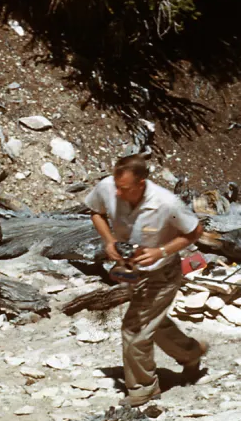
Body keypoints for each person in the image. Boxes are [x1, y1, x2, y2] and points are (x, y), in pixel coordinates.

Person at [85, 155, 207, 407]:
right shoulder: (108, 187)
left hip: (161, 274)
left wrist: (161, 251)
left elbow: (195, 231)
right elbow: (96, 212)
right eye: (117, 186)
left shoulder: (166, 203)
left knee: (134, 329)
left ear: (142, 183)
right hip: (131, 271)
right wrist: (109, 241)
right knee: (154, 322)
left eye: (125, 188)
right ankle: (190, 352)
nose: (117, 193)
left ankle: (144, 388)